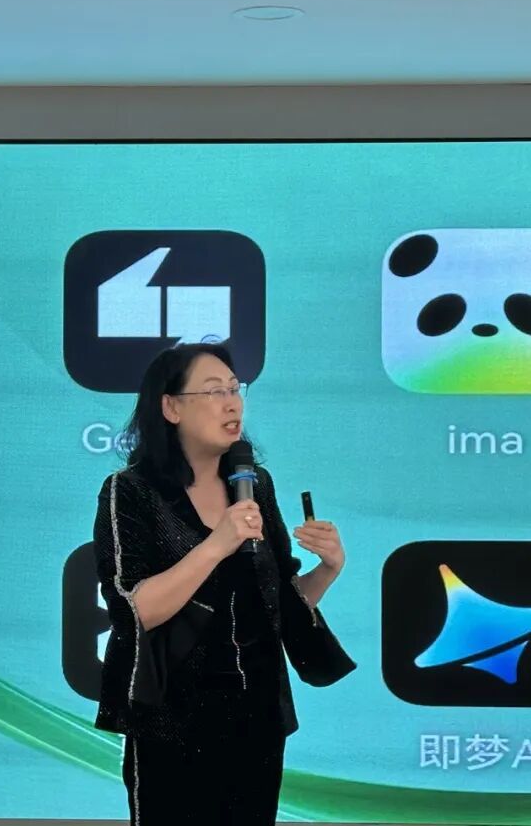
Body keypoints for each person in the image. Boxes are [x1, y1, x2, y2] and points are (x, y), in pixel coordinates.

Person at [92, 342, 357, 826]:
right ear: (171, 407)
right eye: (214, 392)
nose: (232, 404)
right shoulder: (130, 491)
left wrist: (328, 569)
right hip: (171, 718)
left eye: (235, 390)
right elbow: (135, 609)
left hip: (257, 715)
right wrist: (216, 544)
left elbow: (277, 604)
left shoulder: (254, 483)